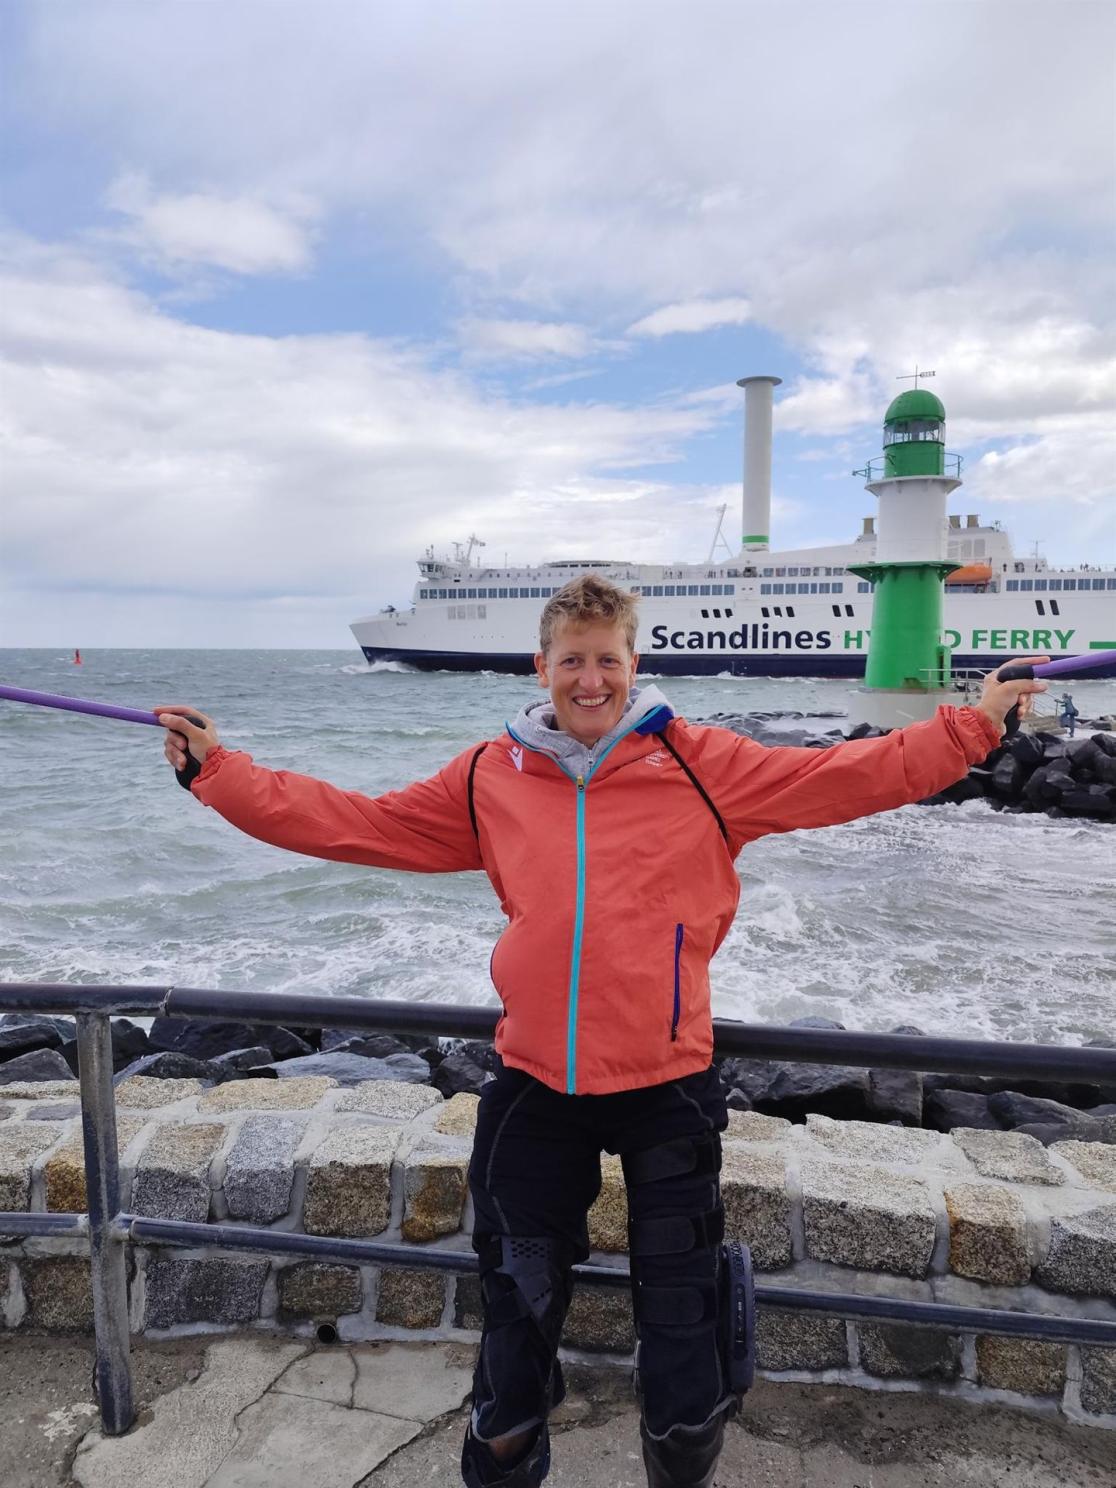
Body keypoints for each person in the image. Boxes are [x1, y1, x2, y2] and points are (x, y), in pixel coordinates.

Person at [157, 576, 1046, 1488]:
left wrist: (974, 726)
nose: (591, 680)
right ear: (541, 666)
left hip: (667, 1082)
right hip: (536, 1083)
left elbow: (847, 776)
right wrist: (219, 774)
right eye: (572, 661)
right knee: (512, 1341)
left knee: (684, 1354)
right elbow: (359, 824)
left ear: (633, 664)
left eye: (608, 660)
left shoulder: (702, 763)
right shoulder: (489, 776)